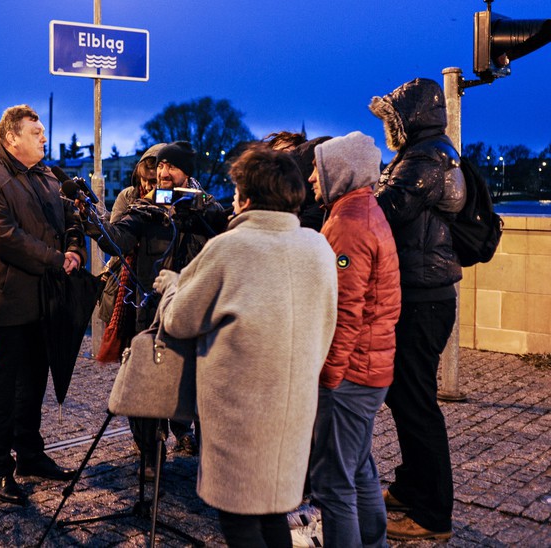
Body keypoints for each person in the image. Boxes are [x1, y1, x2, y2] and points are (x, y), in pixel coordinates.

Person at [153, 143, 337, 547]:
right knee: (273, 513)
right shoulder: (317, 248)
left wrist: (172, 286)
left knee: (240, 523)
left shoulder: (230, 248)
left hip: (242, 416)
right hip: (293, 411)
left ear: (247, 197)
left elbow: (181, 320)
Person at [0, 105, 87, 504]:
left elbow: (71, 220)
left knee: (34, 384)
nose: (44, 138)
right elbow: (3, 236)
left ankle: (30, 456)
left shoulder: (50, 176)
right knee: (2, 390)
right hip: (7, 302)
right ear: (11, 137)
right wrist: (55, 259)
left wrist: (73, 248)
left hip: (44, 301)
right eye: (36, 132)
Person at [88, 141, 227, 479]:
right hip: (149, 310)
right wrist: (91, 220)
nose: (163, 173)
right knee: (144, 385)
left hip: (195, 310)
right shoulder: (144, 206)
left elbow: (223, 237)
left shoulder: (206, 205)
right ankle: (151, 456)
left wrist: (196, 214)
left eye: (171, 167)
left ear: (186, 172)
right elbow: (118, 238)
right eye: (160, 166)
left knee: (202, 386)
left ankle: (212, 460)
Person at [370, 77, 466, 540]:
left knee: (415, 403)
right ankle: (411, 486)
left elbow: (387, 209)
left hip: (423, 298)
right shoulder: (425, 154)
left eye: (391, 120)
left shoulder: (425, 158)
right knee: (407, 396)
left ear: (410, 119)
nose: (387, 129)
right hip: (423, 294)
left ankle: (432, 514)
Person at [306, 131, 401, 547]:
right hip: (370, 369)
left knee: (333, 485)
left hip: (351, 376)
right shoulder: (362, 212)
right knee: (359, 468)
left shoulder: (347, 225)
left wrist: (328, 375)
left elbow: (345, 312)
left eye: (317, 168)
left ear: (339, 172)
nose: (311, 177)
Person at [96, 143, 166, 362]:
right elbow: (117, 233)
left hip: (156, 273)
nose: (147, 185)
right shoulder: (128, 196)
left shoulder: (174, 198)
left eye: (153, 181)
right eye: (144, 179)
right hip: (128, 276)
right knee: (129, 345)